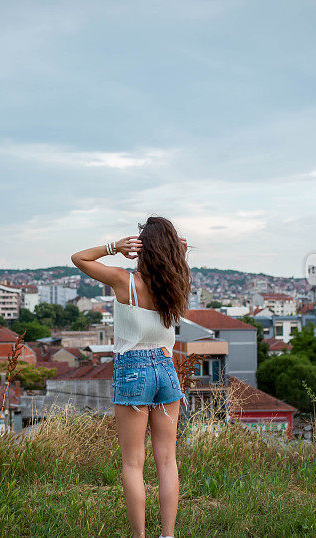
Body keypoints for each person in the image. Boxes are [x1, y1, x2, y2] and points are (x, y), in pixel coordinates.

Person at [71, 216, 190, 538]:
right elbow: (176, 260)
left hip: (133, 369)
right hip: (166, 369)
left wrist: (114, 247)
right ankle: (168, 535)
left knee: (133, 464)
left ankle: (139, 537)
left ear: (142, 248)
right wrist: (177, 252)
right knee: (167, 461)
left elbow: (78, 258)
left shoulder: (125, 281)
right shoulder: (177, 283)